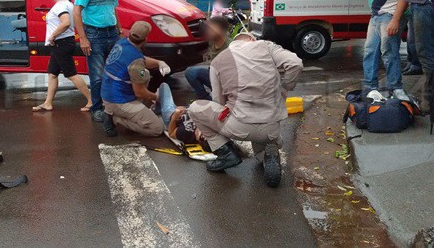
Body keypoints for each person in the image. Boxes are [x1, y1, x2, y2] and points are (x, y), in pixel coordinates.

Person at [187, 32, 303, 187]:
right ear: (252, 39)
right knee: (266, 137)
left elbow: (218, 101)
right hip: (271, 128)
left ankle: (225, 153)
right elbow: (295, 63)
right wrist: (285, 88)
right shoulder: (265, 46)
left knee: (195, 108)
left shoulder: (218, 60)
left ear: (233, 44)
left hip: (238, 128)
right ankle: (269, 151)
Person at [73, 0, 123, 123]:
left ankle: (112, 105)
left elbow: (113, 8)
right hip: (94, 34)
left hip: (112, 34)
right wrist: (83, 39)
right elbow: (76, 11)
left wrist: (119, 29)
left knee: (114, 72)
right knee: (97, 76)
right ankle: (97, 108)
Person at [100, 21, 171, 137]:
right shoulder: (136, 62)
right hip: (118, 101)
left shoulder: (122, 42)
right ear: (146, 39)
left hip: (108, 93)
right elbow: (140, 91)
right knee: (157, 128)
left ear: (131, 33)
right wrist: (158, 98)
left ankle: (134, 112)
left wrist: (159, 63)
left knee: (145, 74)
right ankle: (116, 118)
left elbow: (141, 61)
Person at [359, 0, 410, 95]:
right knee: (370, 51)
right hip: (375, 16)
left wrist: (395, 19)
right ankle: (370, 87)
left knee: (388, 51)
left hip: (390, 15)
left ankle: (396, 87)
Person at [33, 0, 92, 112]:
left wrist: (53, 35)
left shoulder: (60, 5)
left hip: (61, 43)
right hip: (63, 43)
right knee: (52, 73)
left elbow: (65, 22)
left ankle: (91, 100)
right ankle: (48, 103)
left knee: (71, 74)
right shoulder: (68, 4)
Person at [184, 16, 231, 100]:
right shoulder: (211, 41)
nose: (208, 31)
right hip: (214, 74)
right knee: (190, 72)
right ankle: (206, 99)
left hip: (226, 81)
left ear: (222, 31)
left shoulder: (230, 47)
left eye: (211, 29)